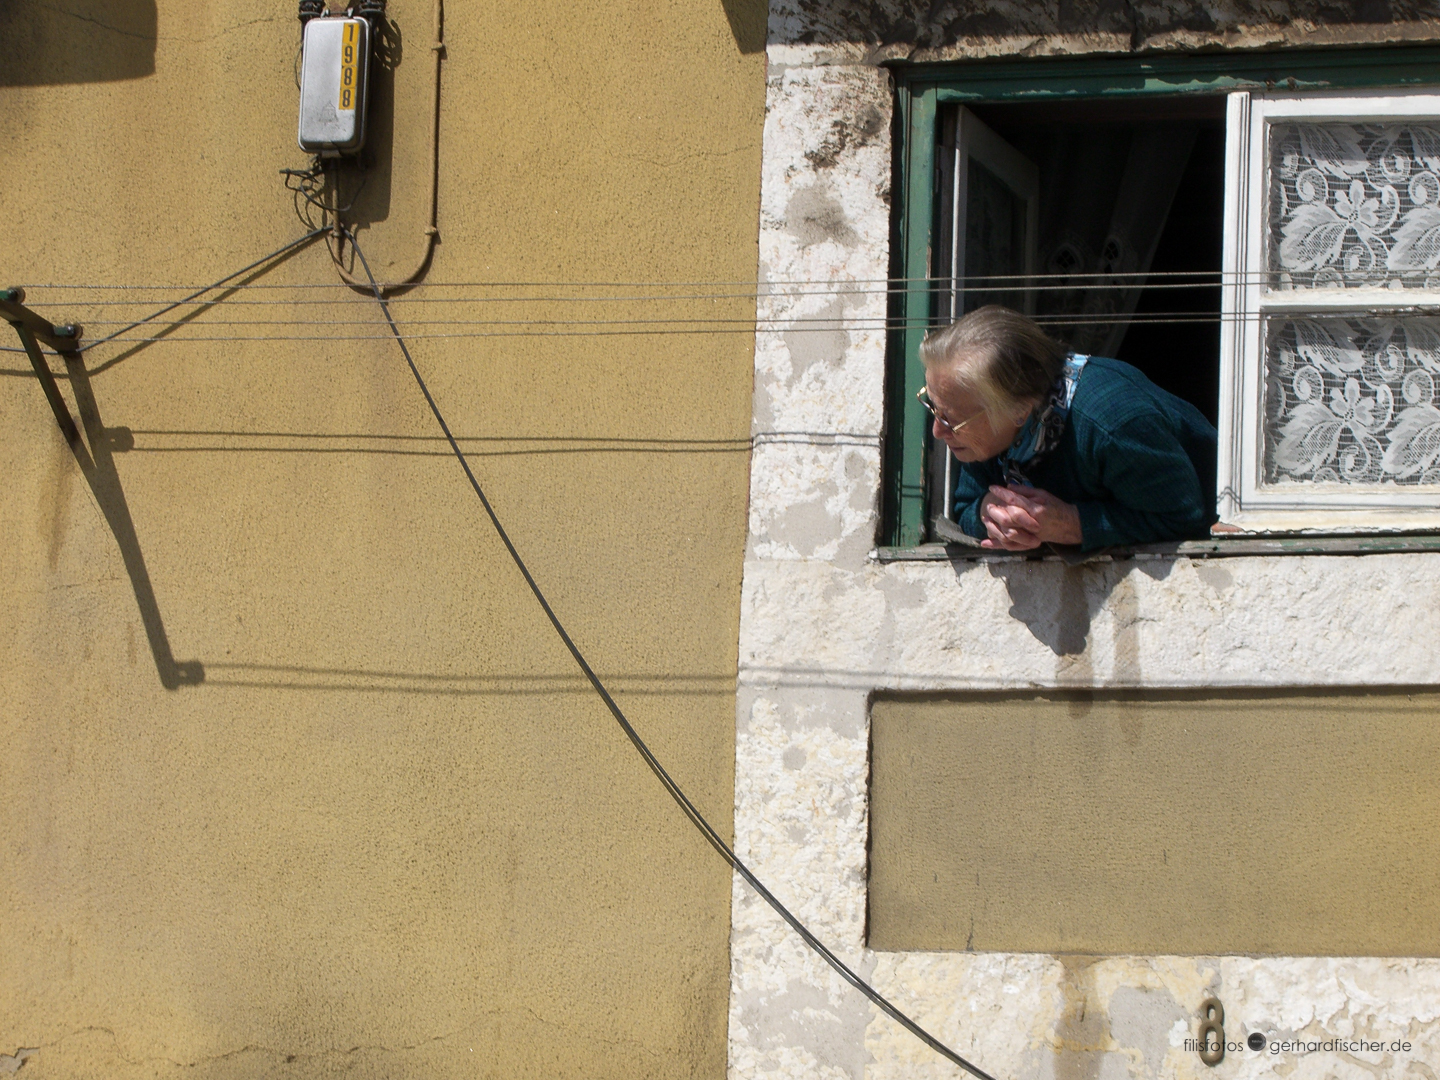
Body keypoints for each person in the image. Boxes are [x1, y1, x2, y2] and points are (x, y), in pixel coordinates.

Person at [919, 305, 1217, 552]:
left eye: (951, 419)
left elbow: (1185, 517)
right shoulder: (983, 431)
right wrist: (990, 513)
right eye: (933, 406)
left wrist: (1071, 524)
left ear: (1020, 411)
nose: (937, 430)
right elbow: (966, 505)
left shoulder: (1113, 423)